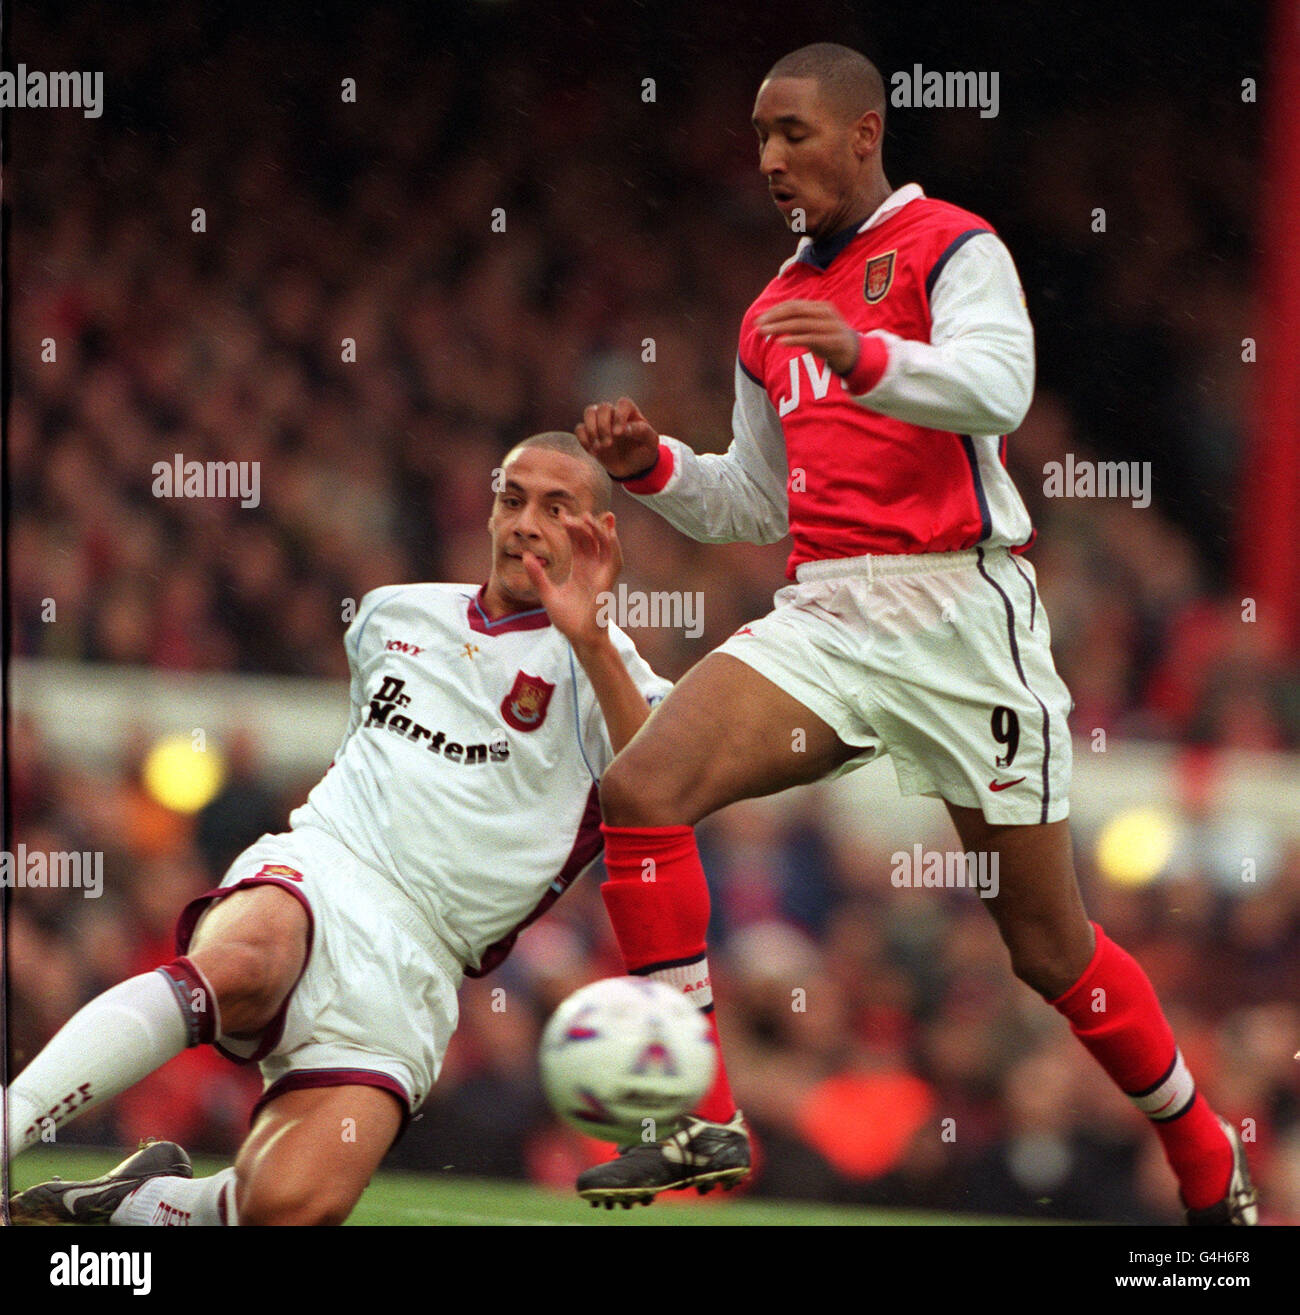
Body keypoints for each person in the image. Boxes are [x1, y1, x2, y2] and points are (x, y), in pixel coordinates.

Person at [574, 42, 1256, 1225]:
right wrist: (655, 470)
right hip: (830, 613)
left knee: (1048, 948)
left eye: (792, 131)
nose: (771, 158)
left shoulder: (952, 243)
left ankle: (1203, 1154)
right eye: (757, 137)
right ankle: (698, 1120)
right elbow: (757, 499)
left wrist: (875, 356)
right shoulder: (769, 312)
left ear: (862, 131)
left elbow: (1000, 389)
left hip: (958, 620)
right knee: (641, 789)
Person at [5, 432, 718, 1225]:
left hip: (420, 967)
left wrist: (589, 642)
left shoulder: (610, 669)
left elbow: (665, 785)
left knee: (286, 1208)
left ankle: (128, 1204)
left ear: (600, 534)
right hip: (327, 865)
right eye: (511, 499)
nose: (525, 523)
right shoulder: (391, 614)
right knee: (241, 962)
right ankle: (11, 1124)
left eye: (557, 508)